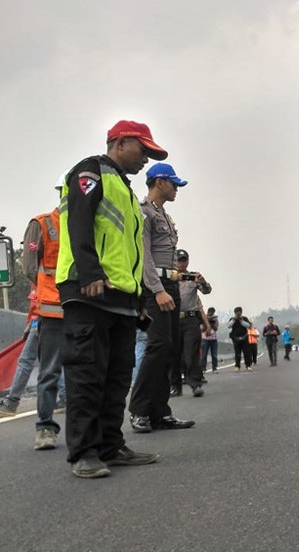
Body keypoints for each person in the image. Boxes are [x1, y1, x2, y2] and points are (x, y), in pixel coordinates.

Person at [57, 119, 162, 477]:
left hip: (121, 296)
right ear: (120, 143)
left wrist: (140, 300)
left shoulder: (125, 189)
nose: (145, 158)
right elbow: (80, 222)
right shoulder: (90, 172)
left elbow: (131, 251)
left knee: (117, 376)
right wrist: (89, 272)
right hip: (90, 291)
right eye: (142, 149)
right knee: (87, 375)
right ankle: (84, 453)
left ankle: (110, 445)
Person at [128, 163, 195, 433]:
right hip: (156, 286)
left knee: (170, 347)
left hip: (171, 284)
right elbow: (143, 257)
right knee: (157, 346)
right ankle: (139, 410)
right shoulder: (144, 213)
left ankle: (160, 411)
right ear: (159, 182)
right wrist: (157, 290)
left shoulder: (164, 215)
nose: (177, 189)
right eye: (174, 184)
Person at [21, 204, 67, 450]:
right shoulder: (42, 224)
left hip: (84, 307)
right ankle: (45, 426)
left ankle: (90, 427)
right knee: (50, 371)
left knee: (86, 371)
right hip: (53, 308)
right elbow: (29, 268)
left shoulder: (88, 223)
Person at [175, 249, 212, 396]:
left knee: (191, 353)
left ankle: (195, 384)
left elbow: (207, 290)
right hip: (173, 319)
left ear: (188, 262)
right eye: (179, 260)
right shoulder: (170, 277)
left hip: (190, 319)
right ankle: (174, 386)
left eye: (184, 260)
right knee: (174, 354)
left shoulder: (193, 276)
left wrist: (202, 283)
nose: (181, 263)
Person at [227, 307, 252, 371]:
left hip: (244, 337)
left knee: (246, 352)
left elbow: (248, 326)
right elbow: (228, 326)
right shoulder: (232, 319)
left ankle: (248, 365)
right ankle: (237, 366)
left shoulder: (244, 318)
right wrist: (234, 320)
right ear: (235, 313)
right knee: (237, 353)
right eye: (236, 312)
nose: (238, 314)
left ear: (241, 312)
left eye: (239, 312)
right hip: (236, 338)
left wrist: (241, 321)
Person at [201, 307, 219, 373]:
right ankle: (203, 368)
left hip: (213, 338)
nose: (211, 313)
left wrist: (211, 323)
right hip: (205, 338)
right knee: (204, 355)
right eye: (210, 312)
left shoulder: (215, 319)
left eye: (212, 312)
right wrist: (207, 322)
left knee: (214, 355)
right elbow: (201, 329)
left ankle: (214, 368)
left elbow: (216, 328)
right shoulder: (204, 318)